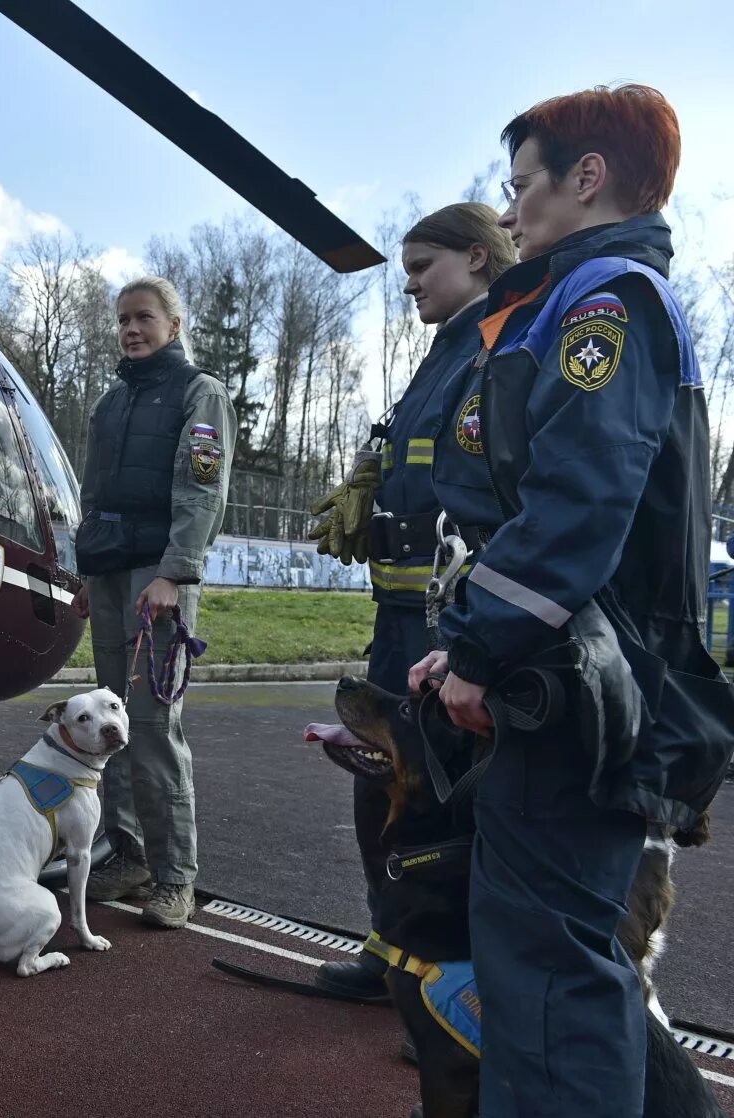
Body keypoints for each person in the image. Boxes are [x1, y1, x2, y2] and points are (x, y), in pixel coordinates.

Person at [408, 84, 734, 1116]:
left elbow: (578, 501)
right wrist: (465, 642)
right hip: (565, 676)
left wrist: (481, 648)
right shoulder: (574, 298)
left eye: (521, 186)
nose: (507, 214)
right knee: (551, 971)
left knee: (550, 990)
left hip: (580, 696)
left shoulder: (606, 300)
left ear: (585, 178)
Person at [306, 203, 516, 1001]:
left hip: (450, 630)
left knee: (452, 809)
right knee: (382, 789)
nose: (412, 288)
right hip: (399, 626)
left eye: (424, 269)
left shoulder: (498, 348)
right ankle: (395, 950)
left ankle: (455, 984)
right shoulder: (442, 356)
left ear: (477, 257)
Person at [74, 276, 237, 928]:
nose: (131, 329)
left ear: (174, 324)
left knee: (151, 728)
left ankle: (176, 878)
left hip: (157, 583)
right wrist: (88, 572)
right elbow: (92, 494)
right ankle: (128, 855)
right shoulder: (110, 404)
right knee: (106, 726)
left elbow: (203, 491)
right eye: (122, 320)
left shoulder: (200, 394)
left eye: (143, 317)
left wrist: (175, 574)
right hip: (110, 576)